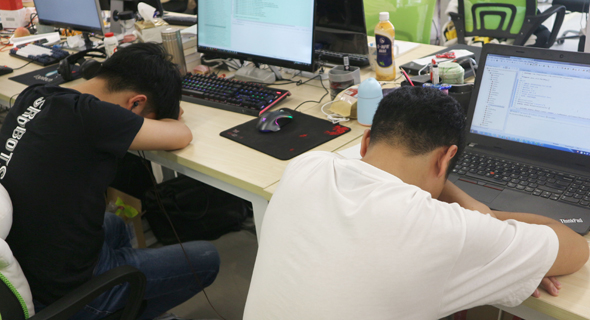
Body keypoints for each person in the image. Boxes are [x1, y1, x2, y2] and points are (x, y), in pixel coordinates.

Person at [243, 86, 589, 319]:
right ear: (446, 160)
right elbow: (575, 250)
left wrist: (497, 250)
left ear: (365, 142)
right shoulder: (445, 230)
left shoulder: (306, 167)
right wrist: (496, 237)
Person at [0, 43, 220, 320]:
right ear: (136, 102)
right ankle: (110, 308)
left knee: (115, 224)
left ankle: (122, 304)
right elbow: (181, 134)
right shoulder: (95, 116)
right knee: (207, 258)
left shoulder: (36, 94)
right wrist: (169, 120)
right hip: (63, 293)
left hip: (29, 265)